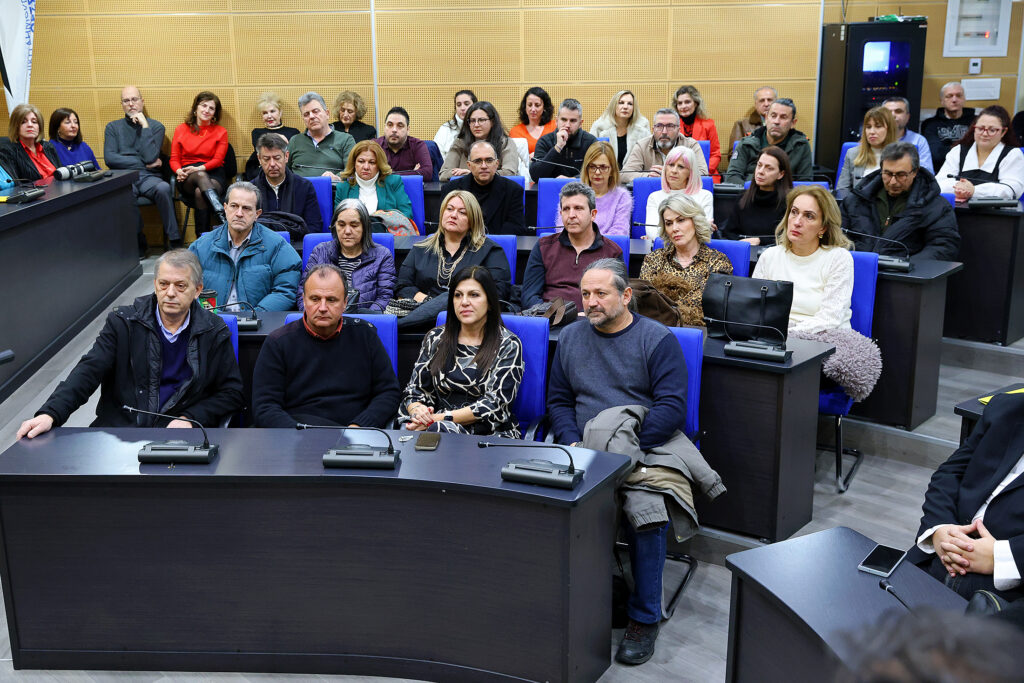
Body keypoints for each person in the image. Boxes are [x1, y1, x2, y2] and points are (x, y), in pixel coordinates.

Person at [547, 257, 723, 665]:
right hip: (585, 446)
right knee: (565, 506)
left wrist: (626, 449)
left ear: (625, 296)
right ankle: (593, 593)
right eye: (585, 293)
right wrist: (574, 442)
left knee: (647, 511)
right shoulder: (571, 337)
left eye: (601, 293)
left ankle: (644, 618)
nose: (591, 301)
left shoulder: (656, 339)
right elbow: (559, 401)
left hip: (645, 445)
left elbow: (671, 408)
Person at [15, 249, 244, 438]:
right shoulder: (123, 322)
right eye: (163, 284)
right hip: (124, 430)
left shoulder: (214, 330)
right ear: (154, 284)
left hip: (178, 434)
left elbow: (232, 392)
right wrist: (50, 413)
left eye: (180, 286)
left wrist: (190, 418)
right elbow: (87, 371)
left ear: (197, 290)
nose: (170, 293)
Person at [906, 391, 1024, 602]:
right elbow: (949, 472)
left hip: (1008, 588)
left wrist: (1002, 556)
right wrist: (939, 528)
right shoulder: (1006, 407)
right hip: (942, 552)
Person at [252, 263, 400, 428]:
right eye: (315, 299)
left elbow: (388, 393)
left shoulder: (365, 335)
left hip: (354, 434)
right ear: (304, 300)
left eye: (331, 300)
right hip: (296, 433)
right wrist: (297, 434)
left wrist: (359, 426)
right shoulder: (278, 342)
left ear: (345, 303)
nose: (322, 308)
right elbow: (265, 407)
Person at [400, 265, 524, 437]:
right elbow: (415, 391)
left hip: (490, 436)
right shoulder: (436, 338)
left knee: (436, 433)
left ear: (490, 302)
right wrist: (418, 412)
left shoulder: (508, 344)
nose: (464, 302)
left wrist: (437, 420)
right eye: (458, 295)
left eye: (474, 295)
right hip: (438, 429)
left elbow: (494, 406)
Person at [394, 190, 512, 329]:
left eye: (462, 212)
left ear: (472, 220)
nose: (453, 215)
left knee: (451, 296)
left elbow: (497, 294)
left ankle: (398, 326)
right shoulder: (420, 248)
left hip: (469, 322)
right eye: (449, 209)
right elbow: (402, 286)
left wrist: (451, 301)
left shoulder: (490, 251)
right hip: (419, 322)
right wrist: (429, 301)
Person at [753, 185, 855, 335]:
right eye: (794, 212)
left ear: (823, 228)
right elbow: (755, 307)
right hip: (775, 334)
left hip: (825, 336)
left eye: (809, 216)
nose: (797, 222)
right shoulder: (769, 256)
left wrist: (786, 334)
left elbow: (830, 318)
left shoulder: (839, 258)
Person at [188, 182, 302, 312]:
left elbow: (285, 290)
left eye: (246, 208)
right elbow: (186, 288)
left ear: (257, 214)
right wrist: (210, 314)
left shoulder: (277, 246)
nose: (239, 213)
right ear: (225, 208)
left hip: (259, 321)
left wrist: (256, 315)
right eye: (234, 206)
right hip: (211, 320)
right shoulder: (200, 247)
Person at [841, 142, 960, 261]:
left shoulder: (937, 207)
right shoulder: (856, 200)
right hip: (856, 266)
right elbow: (837, 238)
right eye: (888, 174)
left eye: (901, 175)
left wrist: (907, 265)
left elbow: (943, 247)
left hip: (907, 270)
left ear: (915, 172)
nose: (893, 181)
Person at [522, 182, 623, 310]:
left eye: (578, 208)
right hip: (550, 318)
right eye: (566, 209)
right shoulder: (544, 247)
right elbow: (529, 297)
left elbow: (617, 300)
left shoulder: (612, 252)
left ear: (593, 214)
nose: (571, 215)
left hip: (592, 319)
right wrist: (560, 314)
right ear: (561, 213)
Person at [104, 86, 181, 248]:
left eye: (134, 99)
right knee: (125, 193)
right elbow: (110, 159)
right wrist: (144, 163)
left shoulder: (156, 127)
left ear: (142, 101)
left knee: (164, 188)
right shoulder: (112, 127)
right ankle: (138, 239)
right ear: (122, 104)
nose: (131, 104)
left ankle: (174, 239)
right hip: (124, 177)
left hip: (149, 177)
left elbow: (150, 156)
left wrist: (145, 125)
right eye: (126, 101)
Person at [639, 194, 732, 326]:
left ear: (695, 221)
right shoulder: (654, 259)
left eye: (681, 220)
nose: (674, 228)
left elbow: (704, 306)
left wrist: (663, 307)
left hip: (698, 332)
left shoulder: (718, 262)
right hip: (655, 331)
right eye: (669, 223)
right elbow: (645, 302)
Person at [300, 199, 397, 313]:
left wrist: (362, 319)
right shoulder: (320, 252)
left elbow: (385, 298)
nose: (347, 231)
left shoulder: (382, 255)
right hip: (323, 318)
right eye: (341, 225)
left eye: (354, 225)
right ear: (334, 226)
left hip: (364, 321)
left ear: (365, 227)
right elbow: (304, 292)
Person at [170, 91, 229, 235]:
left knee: (200, 192)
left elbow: (218, 160)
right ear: (196, 108)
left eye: (211, 108)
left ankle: (202, 237)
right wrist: (179, 171)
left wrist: (199, 168)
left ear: (215, 113)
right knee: (200, 177)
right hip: (187, 175)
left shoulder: (221, 132)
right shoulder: (181, 129)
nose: (207, 110)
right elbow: (174, 158)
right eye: (204, 105)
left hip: (214, 173)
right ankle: (224, 220)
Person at [937, 105, 1024, 201]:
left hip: (995, 210)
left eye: (992, 130)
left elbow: (1011, 189)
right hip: (955, 209)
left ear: (1003, 132)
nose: (985, 134)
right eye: (980, 128)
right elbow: (940, 182)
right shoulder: (958, 151)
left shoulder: (1013, 154)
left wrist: (974, 190)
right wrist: (960, 188)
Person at [442, 140, 527, 235]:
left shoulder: (513, 190)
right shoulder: (451, 189)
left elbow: (516, 227)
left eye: (489, 160)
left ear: (496, 164)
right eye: (478, 161)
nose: (484, 166)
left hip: (497, 243)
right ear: (469, 165)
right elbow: (443, 225)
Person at [725, 98, 811, 184]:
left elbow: (805, 182)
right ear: (766, 118)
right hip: (750, 190)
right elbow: (732, 177)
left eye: (783, 117)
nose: (776, 121)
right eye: (773, 116)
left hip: (785, 192)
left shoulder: (801, 145)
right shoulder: (746, 144)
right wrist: (754, 190)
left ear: (793, 123)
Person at [251, 132, 322, 235]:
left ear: (286, 156)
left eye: (277, 158)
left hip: (296, 243)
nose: (272, 164)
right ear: (259, 159)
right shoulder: (250, 190)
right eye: (266, 159)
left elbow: (314, 226)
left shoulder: (304, 187)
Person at [719, 146, 792, 246]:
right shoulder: (743, 198)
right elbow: (729, 233)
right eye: (759, 165)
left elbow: (788, 238)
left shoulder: (789, 203)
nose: (760, 171)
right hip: (745, 251)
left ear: (781, 174)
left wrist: (760, 241)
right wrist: (742, 243)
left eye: (769, 168)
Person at [555, 141, 632, 235]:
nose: (597, 172)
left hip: (608, 244)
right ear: (586, 169)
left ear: (612, 170)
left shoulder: (622, 197)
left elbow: (620, 232)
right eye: (592, 167)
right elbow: (562, 230)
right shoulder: (571, 194)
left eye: (603, 167)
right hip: (574, 244)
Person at [333, 140, 414, 221]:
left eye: (372, 162)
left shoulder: (393, 182)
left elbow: (406, 214)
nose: (366, 167)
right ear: (354, 163)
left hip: (386, 228)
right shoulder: (343, 187)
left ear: (379, 165)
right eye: (361, 161)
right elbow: (338, 220)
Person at [620, 108, 708, 182]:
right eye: (659, 126)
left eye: (670, 126)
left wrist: (669, 173)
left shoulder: (691, 145)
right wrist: (649, 176)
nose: (664, 132)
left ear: (678, 130)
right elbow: (625, 174)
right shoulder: (642, 146)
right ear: (653, 129)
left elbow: (703, 174)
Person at [438, 101, 519, 181]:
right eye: (472, 121)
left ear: (492, 122)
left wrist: (473, 175)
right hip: (465, 189)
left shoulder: (505, 143)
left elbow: (509, 173)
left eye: (481, 120)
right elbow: (444, 174)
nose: (476, 125)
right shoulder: (460, 143)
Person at [644, 145, 713, 237]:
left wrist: (663, 232)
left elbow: (704, 233)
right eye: (671, 165)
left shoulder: (705, 196)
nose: (674, 171)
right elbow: (652, 233)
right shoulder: (654, 197)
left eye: (681, 167)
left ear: (690, 172)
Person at [287, 92, 355, 178]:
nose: (311, 116)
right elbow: (284, 171)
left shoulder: (346, 140)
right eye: (306, 114)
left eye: (315, 111)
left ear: (327, 113)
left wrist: (337, 178)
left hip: (332, 186)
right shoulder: (295, 141)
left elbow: (351, 170)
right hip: (300, 186)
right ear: (303, 119)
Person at [836, 106, 898, 199]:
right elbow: (842, 190)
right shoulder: (852, 154)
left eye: (878, 126)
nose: (872, 132)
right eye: (868, 127)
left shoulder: (902, 156)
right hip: (857, 205)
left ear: (889, 129)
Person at [530, 98, 598, 181]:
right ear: (556, 121)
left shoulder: (591, 142)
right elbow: (536, 176)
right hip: (552, 188)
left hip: (581, 188)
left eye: (573, 121)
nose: (567, 125)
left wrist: (572, 179)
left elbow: (597, 172)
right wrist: (558, 147)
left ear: (580, 123)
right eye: (564, 120)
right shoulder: (544, 141)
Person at [243, 92, 301, 180]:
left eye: (272, 111)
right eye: (265, 113)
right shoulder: (257, 132)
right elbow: (261, 149)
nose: (269, 116)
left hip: (286, 170)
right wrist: (281, 139)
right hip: (262, 170)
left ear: (280, 112)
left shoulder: (293, 132)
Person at [589, 90, 652, 169]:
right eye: (621, 103)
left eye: (630, 104)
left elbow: (648, 159)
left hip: (633, 174)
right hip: (605, 174)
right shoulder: (600, 128)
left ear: (634, 108)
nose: (625, 107)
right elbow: (591, 157)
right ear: (614, 106)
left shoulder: (642, 130)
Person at [921, 82, 976, 170]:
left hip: (972, 169)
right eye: (949, 96)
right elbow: (936, 155)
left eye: (959, 95)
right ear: (942, 101)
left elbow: (982, 151)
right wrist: (968, 150)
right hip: (943, 170)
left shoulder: (977, 121)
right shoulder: (930, 124)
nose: (954, 100)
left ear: (964, 99)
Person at [0, 103, 59, 181]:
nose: (30, 125)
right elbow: (16, 184)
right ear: (16, 126)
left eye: (34, 122)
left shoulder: (48, 147)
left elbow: (61, 173)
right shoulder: (8, 152)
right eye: (23, 122)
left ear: (39, 126)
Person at [674, 85, 721, 180]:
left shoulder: (708, 125)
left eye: (687, 102)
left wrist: (700, 172)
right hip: (678, 174)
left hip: (705, 174)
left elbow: (715, 155)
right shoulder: (672, 126)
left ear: (696, 103)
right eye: (680, 103)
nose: (683, 106)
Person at [373, 106, 432, 181]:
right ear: (385, 127)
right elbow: (367, 173)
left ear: (408, 129)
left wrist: (384, 175)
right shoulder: (374, 145)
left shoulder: (417, 145)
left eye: (400, 126)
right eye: (390, 125)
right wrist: (412, 173)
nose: (394, 130)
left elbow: (427, 173)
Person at [883, 96, 933, 172]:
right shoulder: (874, 139)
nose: (893, 115)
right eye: (888, 112)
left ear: (907, 117)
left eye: (898, 111)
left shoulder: (919, 141)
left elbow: (927, 173)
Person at [509, 87, 556, 156]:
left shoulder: (554, 126)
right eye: (529, 105)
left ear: (544, 107)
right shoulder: (515, 131)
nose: (533, 109)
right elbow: (513, 157)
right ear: (525, 107)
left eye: (537, 105)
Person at [728, 86, 776, 154]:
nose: (766, 104)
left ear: (776, 103)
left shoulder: (784, 123)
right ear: (756, 104)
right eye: (762, 100)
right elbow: (733, 154)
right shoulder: (742, 124)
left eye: (769, 100)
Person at [433, 89, 477, 159]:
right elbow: (436, 156)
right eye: (459, 105)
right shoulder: (445, 128)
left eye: (466, 104)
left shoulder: (481, 127)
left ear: (475, 106)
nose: (462, 108)